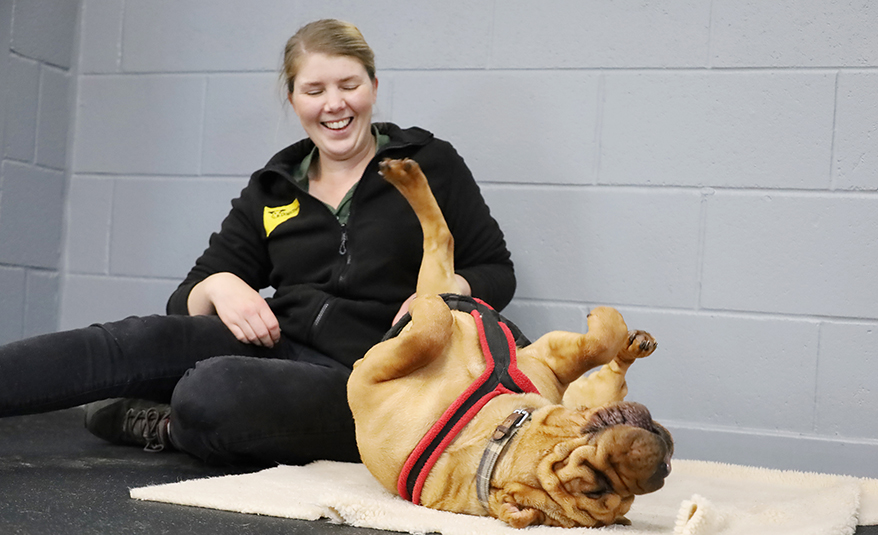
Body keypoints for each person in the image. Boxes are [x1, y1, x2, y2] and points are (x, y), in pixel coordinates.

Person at [0, 19, 516, 467]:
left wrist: (443, 296)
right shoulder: (274, 185)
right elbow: (186, 299)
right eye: (314, 90)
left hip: (373, 376)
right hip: (279, 346)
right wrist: (222, 286)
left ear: (373, 87)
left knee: (213, 392)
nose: (334, 104)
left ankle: (162, 425)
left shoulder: (429, 162)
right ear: (293, 99)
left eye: (348, 85)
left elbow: (496, 270)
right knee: (131, 341)